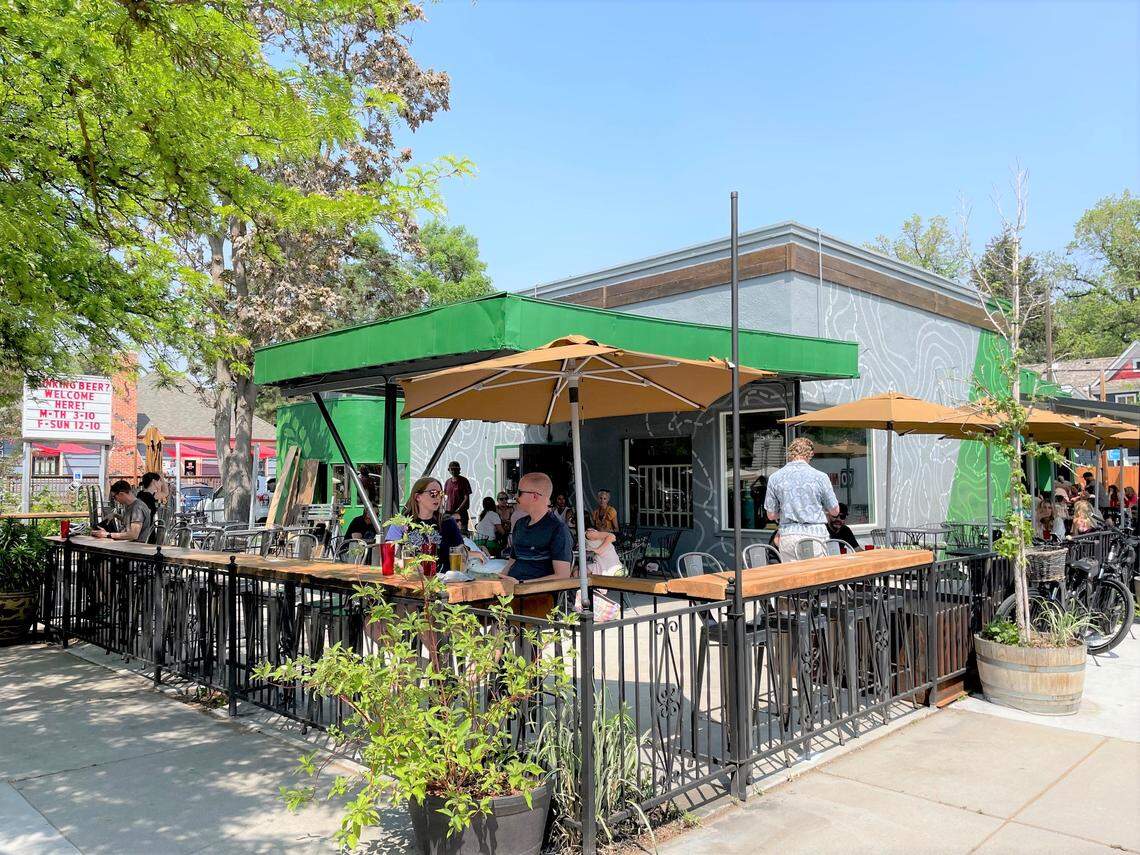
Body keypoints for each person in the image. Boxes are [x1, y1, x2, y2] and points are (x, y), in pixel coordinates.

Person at [764, 437, 840, 563]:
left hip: (789, 536)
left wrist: (786, 510)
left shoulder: (775, 478)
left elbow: (771, 515)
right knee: (815, 578)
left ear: (790, 453)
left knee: (792, 578)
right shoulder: (820, 477)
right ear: (810, 454)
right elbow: (835, 511)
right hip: (815, 536)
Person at [499, 472, 573, 583]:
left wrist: (521, 584)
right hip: (512, 591)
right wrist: (499, 580)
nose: (515, 497)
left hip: (538, 596)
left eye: (519, 492)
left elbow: (562, 576)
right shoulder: (520, 524)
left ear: (534, 496)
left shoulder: (558, 529)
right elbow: (511, 562)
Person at [386, 477, 464, 567]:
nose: (438, 497)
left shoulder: (448, 522)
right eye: (433, 493)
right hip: (414, 577)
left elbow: (461, 550)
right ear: (418, 497)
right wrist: (404, 564)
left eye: (441, 494)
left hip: (443, 578)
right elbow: (388, 558)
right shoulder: (401, 522)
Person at [443, 461, 473, 533]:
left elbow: (466, 497)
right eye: (452, 469)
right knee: (447, 532)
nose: (454, 471)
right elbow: (445, 496)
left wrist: (459, 509)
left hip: (461, 513)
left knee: (462, 534)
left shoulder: (464, 481)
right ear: (449, 470)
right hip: (449, 512)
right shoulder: (447, 482)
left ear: (459, 470)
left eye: (456, 469)